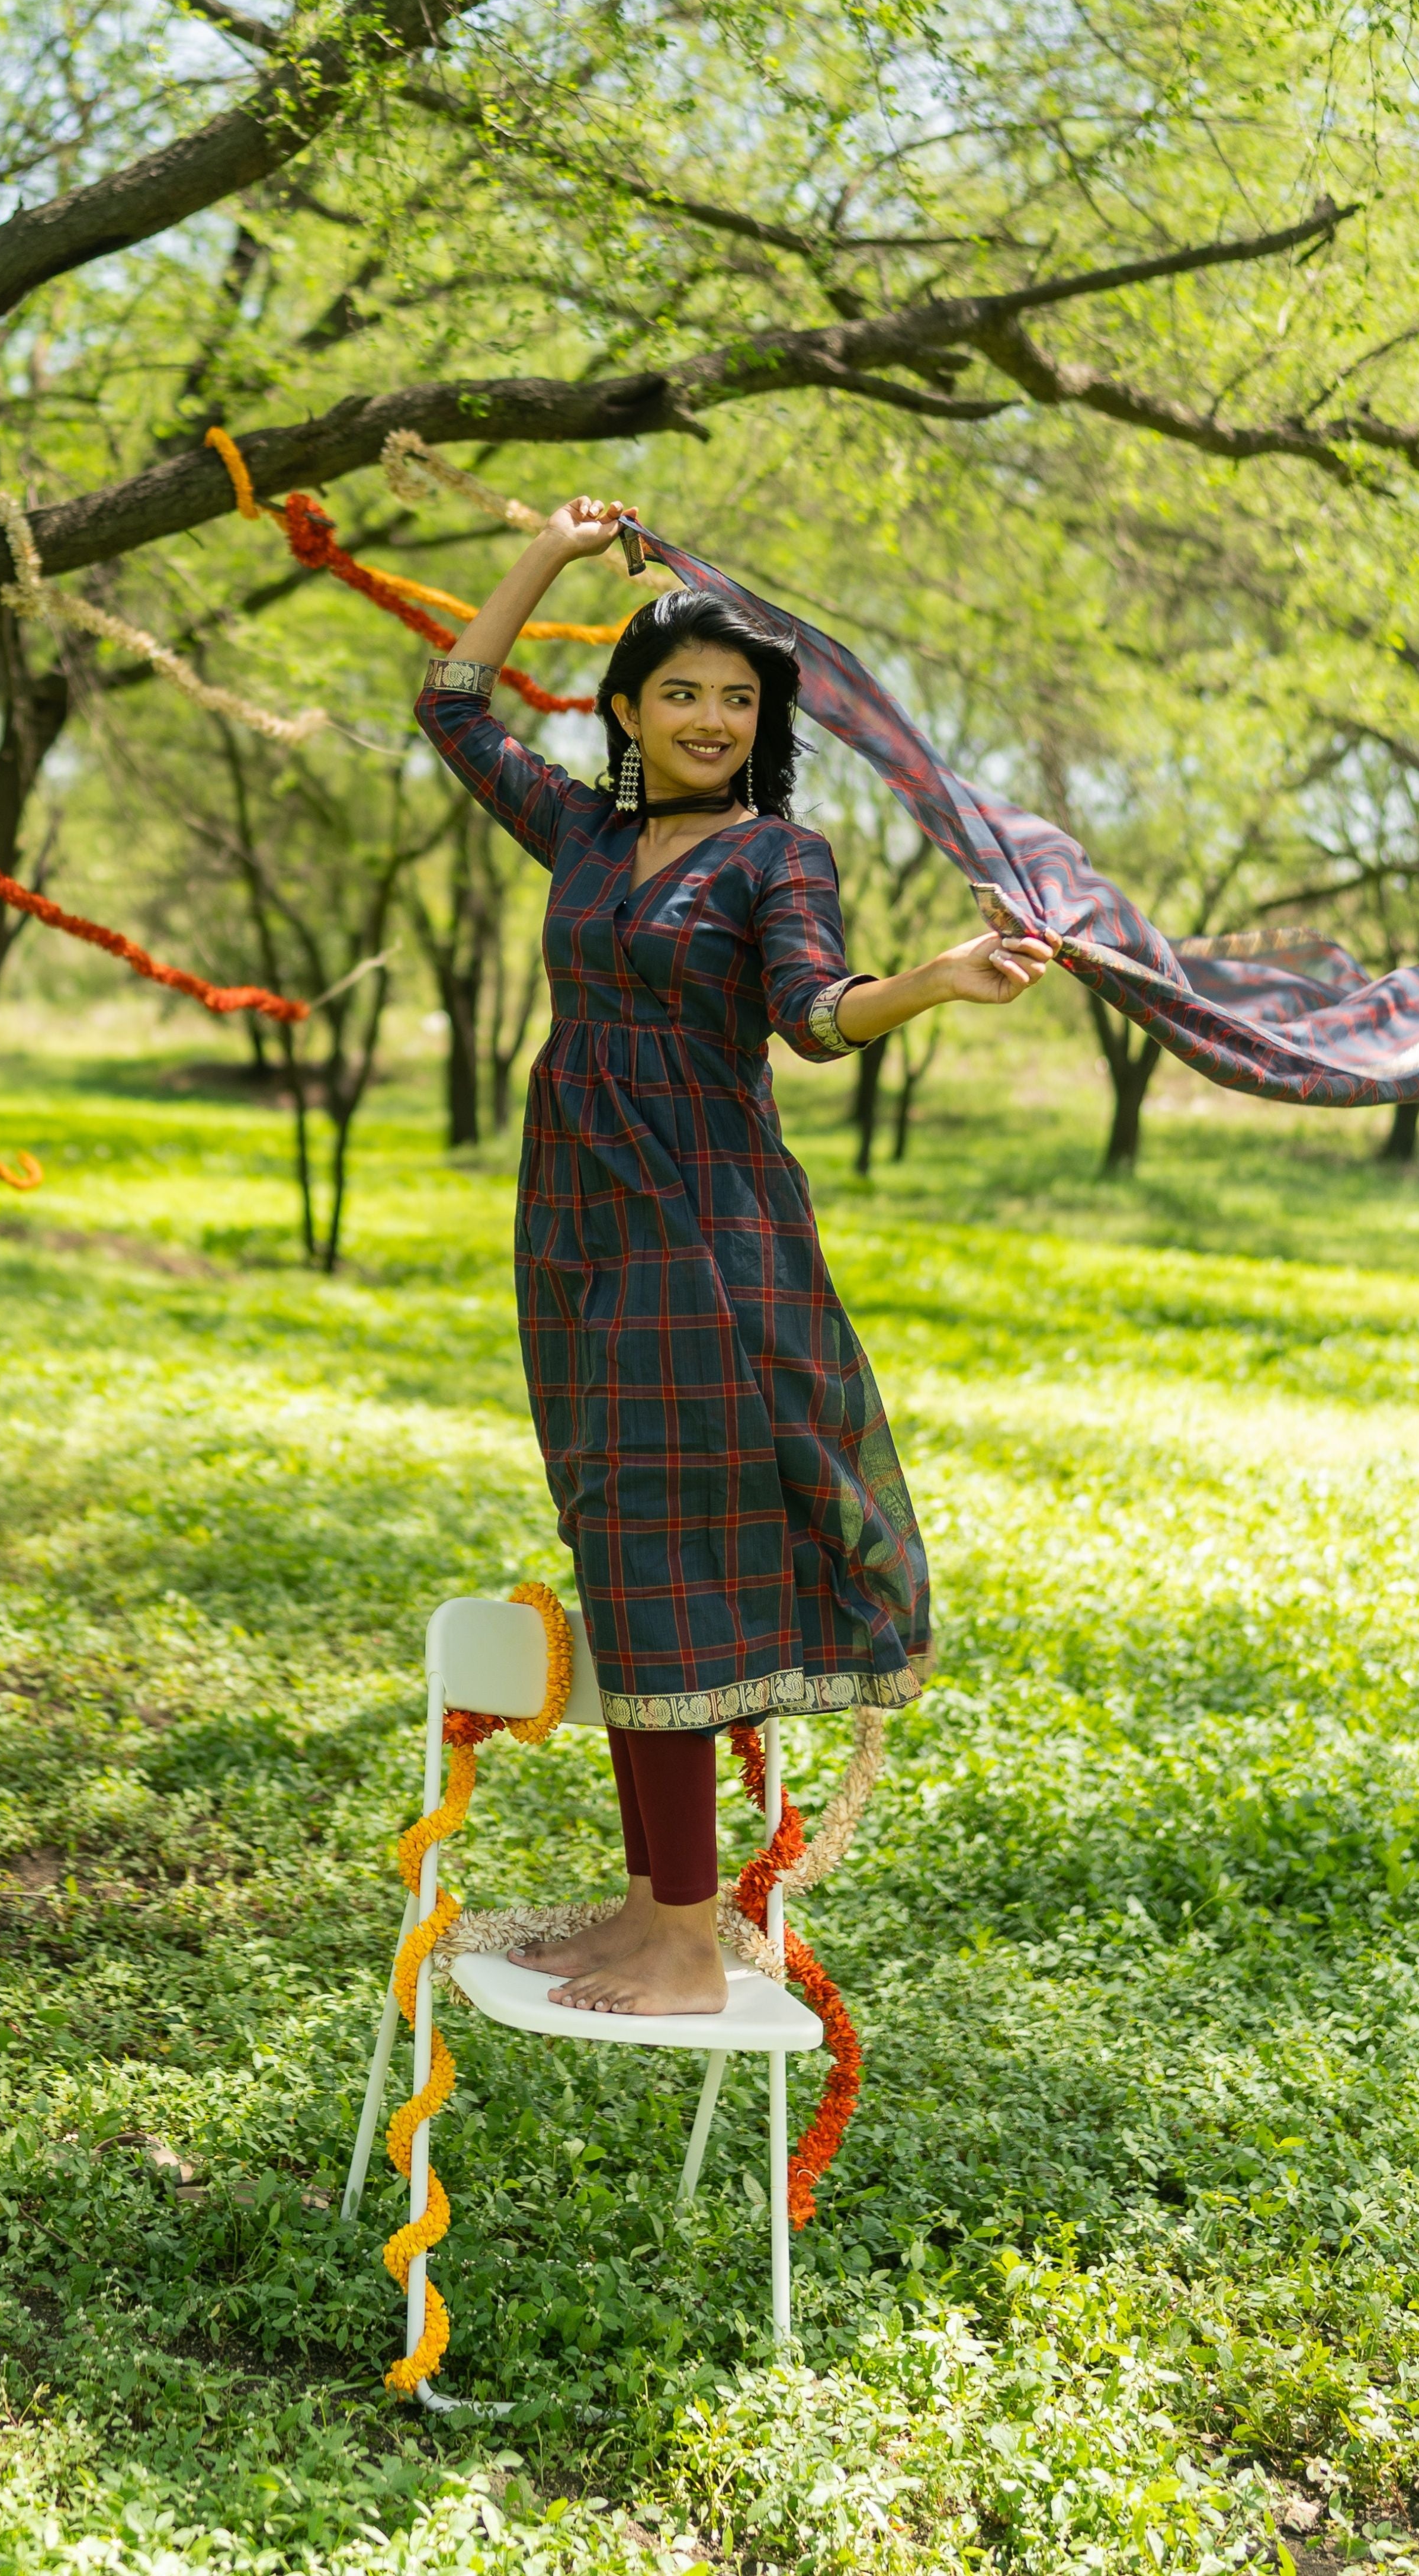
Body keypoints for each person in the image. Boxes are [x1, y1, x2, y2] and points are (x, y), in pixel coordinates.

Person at [415, 496, 1054, 2015]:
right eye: (681, 692)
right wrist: (548, 559)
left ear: (761, 724)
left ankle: (688, 1939)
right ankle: (654, 1908)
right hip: (575, 1214)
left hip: (704, 1231)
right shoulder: (583, 828)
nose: (710, 718)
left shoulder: (780, 851)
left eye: (737, 699)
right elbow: (447, 705)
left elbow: (814, 1015)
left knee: (658, 1541)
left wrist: (941, 982)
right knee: (613, 1534)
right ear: (625, 707)